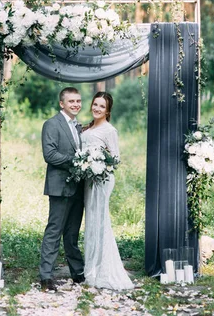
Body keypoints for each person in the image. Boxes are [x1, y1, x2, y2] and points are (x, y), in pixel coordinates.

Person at [82, 91, 134, 290]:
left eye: (102, 106)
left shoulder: (109, 130)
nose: (97, 108)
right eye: (95, 104)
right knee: (91, 222)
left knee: (100, 221)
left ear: (108, 110)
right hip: (88, 180)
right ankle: (91, 266)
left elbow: (116, 159)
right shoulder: (88, 127)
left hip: (101, 180)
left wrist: (98, 162)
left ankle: (103, 270)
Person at [39, 87, 85, 291]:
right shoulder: (51, 124)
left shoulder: (78, 126)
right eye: (71, 101)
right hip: (60, 187)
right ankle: (46, 276)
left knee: (72, 233)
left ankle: (78, 273)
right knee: (54, 231)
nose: (76, 104)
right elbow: (49, 155)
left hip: (79, 187)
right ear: (62, 104)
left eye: (78, 101)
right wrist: (76, 161)